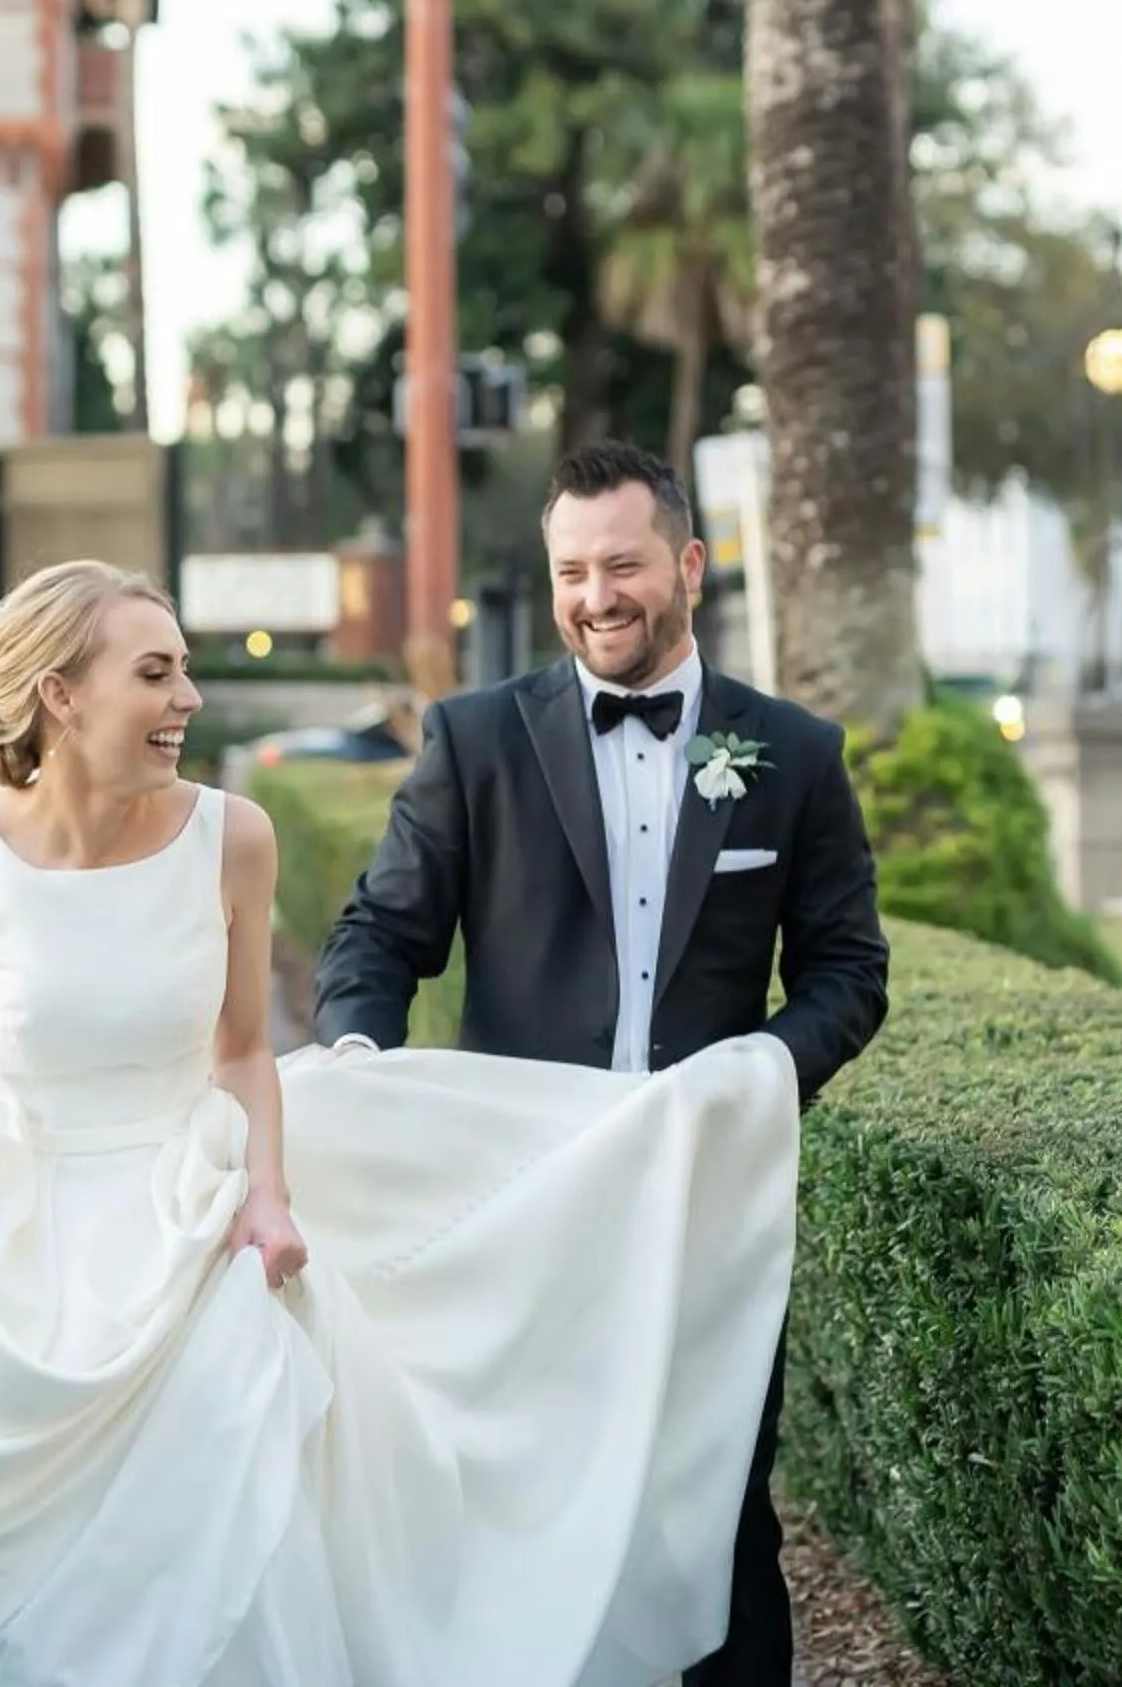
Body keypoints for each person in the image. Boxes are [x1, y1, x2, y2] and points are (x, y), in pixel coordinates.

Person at [0, 555, 805, 1685]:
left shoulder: (232, 837)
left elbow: (243, 1046)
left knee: (224, 1509)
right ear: (60, 693)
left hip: (188, 1215)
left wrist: (265, 1195)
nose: (188, 700)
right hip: (22, 1234)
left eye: (186, 671)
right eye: (155, 673)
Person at [312, 439, 892, 1687]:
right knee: (514, 1494)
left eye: (622, 564)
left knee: (719, 1504)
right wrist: (358, 1065)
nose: (595, 596)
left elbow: (849, 972)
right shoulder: (475, 740)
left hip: (702, 1191)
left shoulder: (793, 753)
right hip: (522, 1193)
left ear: (686, 564)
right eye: (572, 570)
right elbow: (381, 931)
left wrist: (756, 1079)